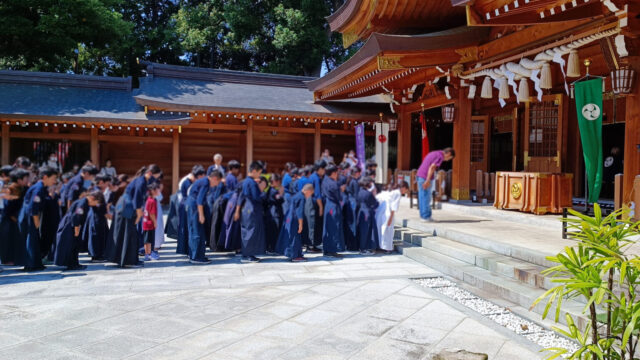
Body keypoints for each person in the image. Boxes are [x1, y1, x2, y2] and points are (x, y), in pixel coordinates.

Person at [110, 164, 162, 268]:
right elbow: (137, 198)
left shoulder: (142, 180)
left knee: (132, 234)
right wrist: (139, 214)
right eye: (155, 176)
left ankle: (131, 259)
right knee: (129, 234)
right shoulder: (141, 181)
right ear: (150, 173)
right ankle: (128, 261)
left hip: (129, 206)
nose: (155, 179)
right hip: (127, 207)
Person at [20, 166, 58, 271]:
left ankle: (36, 263)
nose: (55, 181)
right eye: (54, 178)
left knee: (35, 239)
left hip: (32, 215)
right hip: (30, 216)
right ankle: (31, 264)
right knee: (31, 239)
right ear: (45, 177)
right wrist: (36, 223)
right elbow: (33, 208)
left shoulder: (43, 187)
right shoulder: (38, 188)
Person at [55, 190, 103, 270]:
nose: (96, 204)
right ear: (92, 198)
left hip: (72, 225)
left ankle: (75, 264)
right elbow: (76, 217)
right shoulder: (82, 203)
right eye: (96, 202)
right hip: (70, 226)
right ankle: (71, 265)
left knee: (75, 246)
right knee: (71, 245)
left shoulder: (85, 202)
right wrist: (77, 230)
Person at [187, 169, 222, 264]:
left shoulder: (204, 181)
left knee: (198, 232)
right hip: (195, 208)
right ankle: (195, 257)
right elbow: (199, 201)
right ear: (214, 178)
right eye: (217, 182)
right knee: (197, 232)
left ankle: (198, 255)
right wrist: (201, 215)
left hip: (194, 207)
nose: (217, 185)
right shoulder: (206, 183)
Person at [234, 161, 265, 263]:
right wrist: (264, 193)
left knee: (247, 232)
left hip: (246, 209)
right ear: (254, 171)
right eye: (259, 172)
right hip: (252, 209)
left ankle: (248, 254)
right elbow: (257, 197)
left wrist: (237, 211)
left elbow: (241, 196)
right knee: (250, 232)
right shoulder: (251, 182)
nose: (259, 175)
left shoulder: (246, 181)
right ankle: (247, 256)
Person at [276, 183, 313, 262]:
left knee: (293, 236)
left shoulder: (297, 195)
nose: (310, 196)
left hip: (289, 217)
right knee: (295, 237)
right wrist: (300, 224)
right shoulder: (302, 198)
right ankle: (295, 256)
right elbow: (299, 212)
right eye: (311, 193)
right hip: (294, 219)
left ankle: (297, 254)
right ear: (308, 191)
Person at [416, 148, 455, 221]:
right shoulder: (440, 156)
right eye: (449, 158)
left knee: (422, 197)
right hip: (425, 177)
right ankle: (426, 216)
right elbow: (432, 167)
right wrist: (427, 180)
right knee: (426, 197)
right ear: (449, 153)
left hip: (420, 175)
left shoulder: (435, 153)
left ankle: (423, 216)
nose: (447, 160)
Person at [0, 169, 29, 266]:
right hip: (9, 219)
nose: (27, 180)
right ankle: (6, 260)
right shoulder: (11, 188)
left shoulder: (23, 188)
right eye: (25, 178)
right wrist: (15, 219)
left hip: (17, 218)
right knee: (7, 240)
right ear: (19, 179)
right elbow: (7, 207)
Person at [176, 165, 205, 255]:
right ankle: (186, 249)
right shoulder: (187, 181)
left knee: (187, 228)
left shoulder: (190, 179)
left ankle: (186, 249)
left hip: (185, 204)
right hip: (185, 205)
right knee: (186, 228)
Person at [376, 181, 409, 253]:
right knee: (387, 230)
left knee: (381, 228)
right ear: (403, 188)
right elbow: (394, 206)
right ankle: (387, 248)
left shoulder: (391, 191)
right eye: (406, 189)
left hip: (381, 210)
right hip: (388, 211)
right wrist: (390, 218)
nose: (405, 191)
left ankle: (380, 245)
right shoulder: (397, 193)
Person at [321, 165, 345, 257]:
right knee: (334, 227)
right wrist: (341, 190)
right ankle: (332, 249)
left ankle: (327, 249)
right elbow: (339, 197)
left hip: (328, 205)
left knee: (327, 227)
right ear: (334, 173)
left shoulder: (325, 180)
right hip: (334, 205)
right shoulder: (333, 184)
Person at [86, 175, 111, 261]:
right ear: (101, 182)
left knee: (99, 235)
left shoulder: (96, 190)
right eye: (107, 183)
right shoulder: (96, 191)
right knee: (96, 235)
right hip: (97, 215)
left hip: (98, 216)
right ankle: (96, 255)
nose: (108, 185)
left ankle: (98, 254)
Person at [306, 160, 326, 253]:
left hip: (309, 202)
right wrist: (321, 207)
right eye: (324, 168)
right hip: (313, 203)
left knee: (311, 223)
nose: (324, 170)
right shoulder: (316, 178)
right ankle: (311, 246)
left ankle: (311, 245)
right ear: (320, 169)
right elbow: (317, 195)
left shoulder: (312, 176)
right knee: (312, 224)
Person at [356, 177, 379, 255]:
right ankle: (363, 249)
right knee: (366, 232)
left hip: (361, 211)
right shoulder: (368, 193)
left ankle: (362, 248)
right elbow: (375, 203)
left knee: (362, 231)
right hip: (367, 212)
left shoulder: (359, 192)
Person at [264, 174, 284, 255]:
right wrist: (281, 194)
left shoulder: (269, 190)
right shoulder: (274, 191)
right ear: (275, 181)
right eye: (278, 181)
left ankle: (270, 248)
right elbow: (280, 200)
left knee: (271, 232)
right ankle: (273, 248)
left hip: (270, 212)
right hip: (275, 213)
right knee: (275, 232)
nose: (279, 182)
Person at [344, 166, 361, 251]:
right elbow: (357, 195)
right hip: (354, 204)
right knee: (354, 225)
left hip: (349, 204)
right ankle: (354, 246)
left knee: (350, 225)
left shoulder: (349, 180)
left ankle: (349, 244)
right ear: (356, 173)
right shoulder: (355, 182)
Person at [142, 183, 160, 261]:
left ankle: (149, 254)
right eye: (157, 189)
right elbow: (152, 213)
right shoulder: (152, 201)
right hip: (149, 224)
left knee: (148, 240)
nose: (159, 191)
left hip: (147, 223)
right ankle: (147, 254)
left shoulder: (149, 199)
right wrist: (155, 222)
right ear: (152, 191)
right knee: (148, 240)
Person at [153, 181, 165, 254]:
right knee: (156, 227)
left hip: (157, 208)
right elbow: (159, 197)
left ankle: (157, 243)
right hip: (154, 209)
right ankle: (155, 245)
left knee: (159, 226)